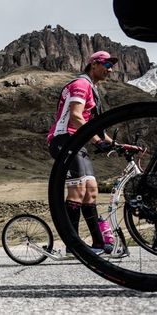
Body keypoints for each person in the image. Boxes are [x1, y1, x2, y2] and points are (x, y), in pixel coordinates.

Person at [46, 51, 118, 256]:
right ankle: (72, 246)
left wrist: (120, 146)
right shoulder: (81, 84)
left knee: (92, 190)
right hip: (62, 138)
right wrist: (96, 141)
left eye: (112, 66)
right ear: (94, 64)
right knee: (78, 189)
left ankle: (97, 244)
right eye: (106, 64)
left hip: (76, 142)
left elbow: (97, 128)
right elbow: (77, 117)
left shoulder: (92, 88)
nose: (110, 70)